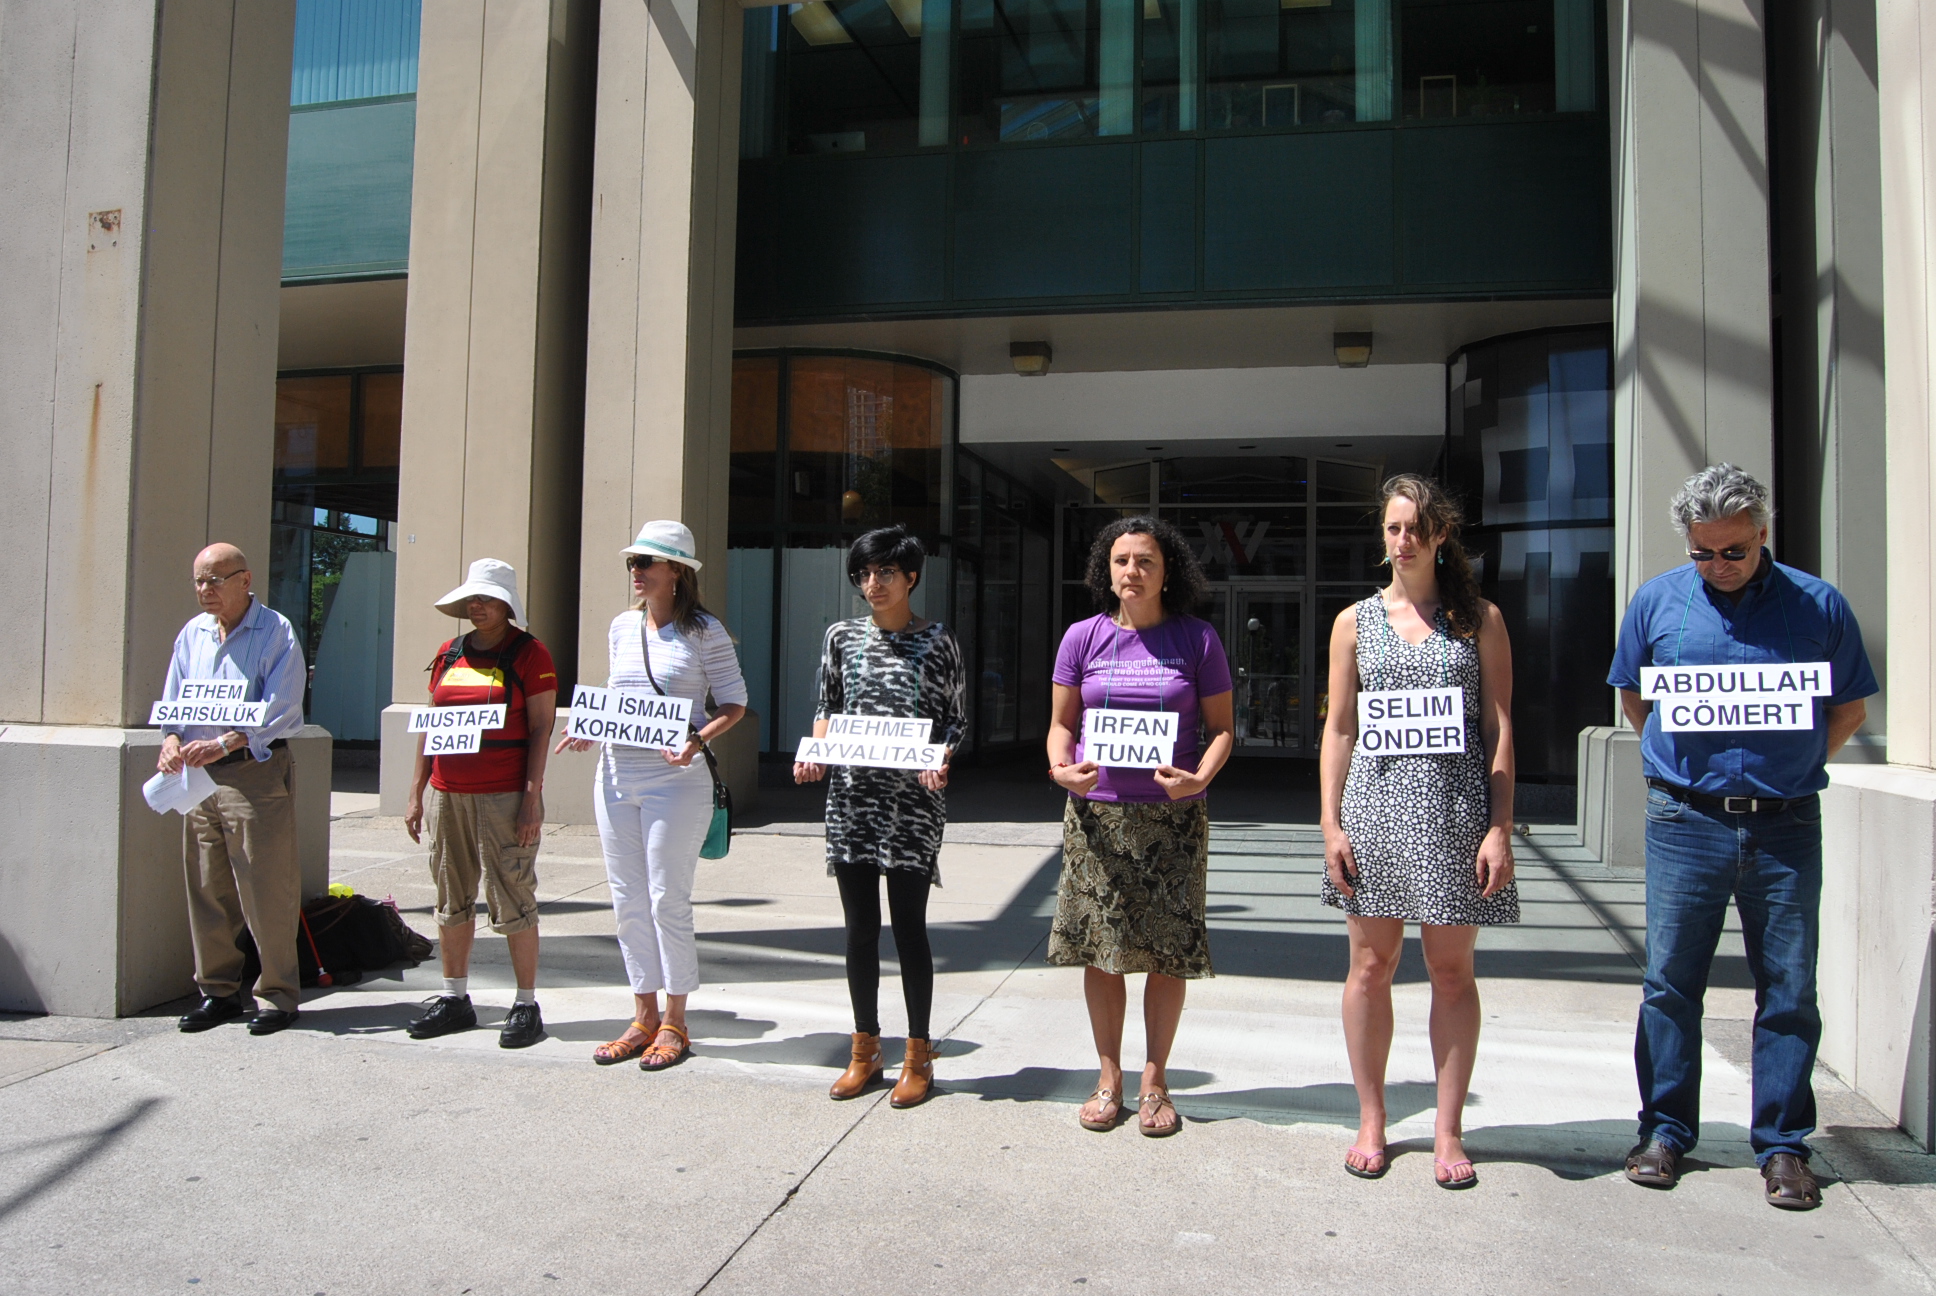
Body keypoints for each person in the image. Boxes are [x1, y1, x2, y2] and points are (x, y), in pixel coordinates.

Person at [1609, 464, 1876, 1211]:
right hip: (1684, 819)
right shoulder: (1658, 602)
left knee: (1788, 988)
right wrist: (1678, 771)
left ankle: (1785, 1148)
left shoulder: (1817, 606)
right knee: (1669, 983)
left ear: (1763, 533)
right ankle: (1664, 1132)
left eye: (1733, 551)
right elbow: (1634, 696)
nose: (1718, 567)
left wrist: (1792, 765)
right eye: (1703, 553)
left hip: (1785, 824)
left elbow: (1847, 709)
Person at [1319, 474, 1517, 1189]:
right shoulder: (1353, 623)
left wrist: (1500, 828)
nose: (1403, 541)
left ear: (1441, 536)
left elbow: (1497, 728)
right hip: (1374, 817)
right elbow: (1339, 727)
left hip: (1454, 818)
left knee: (1451, 972)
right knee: (1370, 970)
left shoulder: (1481, 620)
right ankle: (1371, 1119)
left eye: (1416, 529)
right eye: (1393, 528)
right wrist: (1330, 820)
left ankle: (1447, 1127)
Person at [1046, 516, 1233, 1137]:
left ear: (1167, 570)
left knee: (1166, 955)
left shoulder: (1198, 639)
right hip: (1097, 816)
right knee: (1101, 953)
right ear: (1107, 569)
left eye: (1145, 560)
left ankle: (1156, 1082)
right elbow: (1062, 724)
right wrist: (1059, 766)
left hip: (1172, 820)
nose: (1132, 571)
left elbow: (1222, 729)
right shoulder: (1082, 637)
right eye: (1121, 560)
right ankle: (1109, 1078)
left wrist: (1200, 778)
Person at [559, 521, 747, 1071]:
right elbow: (620, 698)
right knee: (627, 899)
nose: (637, 572)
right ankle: (642, 1015)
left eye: (647, 562)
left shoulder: (705, 632)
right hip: (616, 773)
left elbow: (732, 705)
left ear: (677, 572)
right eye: (633, 563)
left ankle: (676, 1020)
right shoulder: (621, 627)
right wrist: (592, 725)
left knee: (668, 899)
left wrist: (696, 741)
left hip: (676, 780)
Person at [794, 526, 967, 1108]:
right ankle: (864, 1050)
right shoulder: (841, 637)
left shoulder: (938, 641)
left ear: (911, 577)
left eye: (885, 573)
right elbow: (827, 707)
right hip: (851, 802)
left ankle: (918, 1055)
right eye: (863, 574)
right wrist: (814, 754)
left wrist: (940, 758)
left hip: (913, 806)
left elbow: (954, 722)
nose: (872, 584)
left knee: (911, 930)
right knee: (859, 930)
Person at [402, 559, 558, 1049]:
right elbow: (431, 724)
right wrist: (416, 792)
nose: (477, 606)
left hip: (505, 796)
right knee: (451, 896)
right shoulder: (448, 653)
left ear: (507, 604)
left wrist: (531, 799)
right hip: (449, 796)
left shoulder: (531, 654)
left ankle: (526, 1005)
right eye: (472, 598)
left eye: (487, 598)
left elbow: (540, 729)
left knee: (513, 894)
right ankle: (454, 998)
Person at [159, 543, 309, 1036]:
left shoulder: (276, 631)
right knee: (207, 883)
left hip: (252, 770)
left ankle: (277, 996)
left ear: (244, 580)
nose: (205, 590)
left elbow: (283, 705)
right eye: (198, 581)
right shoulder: (192, 634)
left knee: (266, 886)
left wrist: (228, 741)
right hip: (197, 776)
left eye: (215, 580)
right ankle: (218, 992)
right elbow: (175, 697)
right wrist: (172, 741)